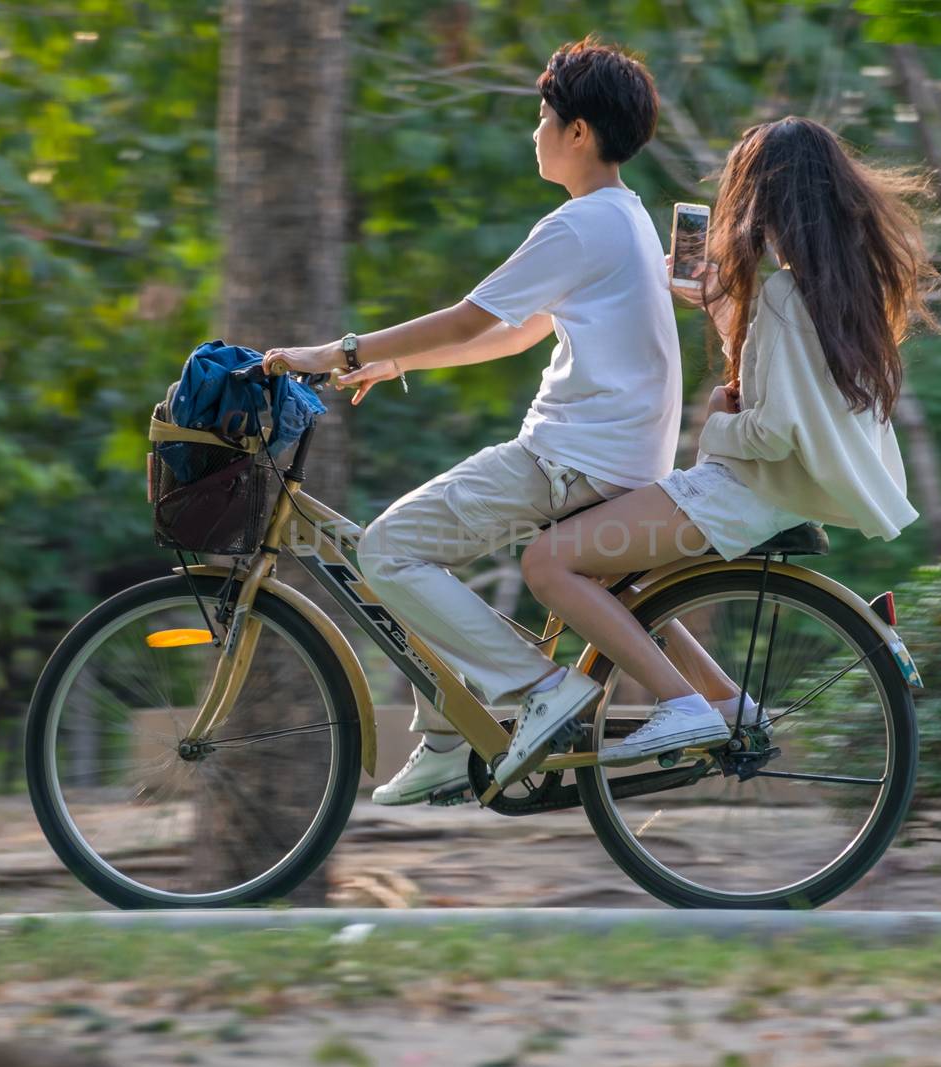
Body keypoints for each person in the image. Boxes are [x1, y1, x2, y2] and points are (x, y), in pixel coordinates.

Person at [263, 37, 682, 800]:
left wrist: (335, 350)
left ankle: (536, 691)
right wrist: (397, 362)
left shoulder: (580, 225)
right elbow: (516, 330)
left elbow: (464, 319)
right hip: (612, 457)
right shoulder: (625, 218)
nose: (535, 131)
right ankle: (451, 735)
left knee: (388, 550)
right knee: (413, 556)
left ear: (578, 133)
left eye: (543, 116)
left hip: (571, 459)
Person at [520, 116, 937, 765]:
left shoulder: (781, 296)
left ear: (763, 201)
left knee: (548, 563)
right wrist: (719, 311)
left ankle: (682, 706)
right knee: (607, 572)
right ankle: (722, 702)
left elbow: (769, 431)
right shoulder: (839, 290)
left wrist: (715, 417)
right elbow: (786, 398)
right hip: (776, 494)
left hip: (745, 493)